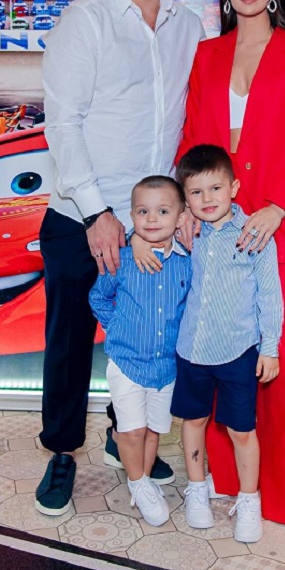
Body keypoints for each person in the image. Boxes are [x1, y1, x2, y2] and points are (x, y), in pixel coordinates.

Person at [35, 0, 205, 516]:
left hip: (154, 221)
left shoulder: (190, 26)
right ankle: (61, 452)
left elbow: (190, 119)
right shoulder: (85, 20)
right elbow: (64, 124)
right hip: (81, 215)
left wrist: (185, 202)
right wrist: (96, 212)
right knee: (70, 340)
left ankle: (122, 434)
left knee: (145, 336)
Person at [176, 0, 285, 552]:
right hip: (215, 233)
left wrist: (280, 205)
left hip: (279, 228)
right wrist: (186, 206)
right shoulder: (207, 54)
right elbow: (192, 140)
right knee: (218, 355)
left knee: (283, 365)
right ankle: (230, 482)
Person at [172, 144, 283, 543]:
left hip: (238, 351)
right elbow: (149, 233)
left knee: (241, 430)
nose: (207, 199)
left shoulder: (254, 233)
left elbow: (270, 295)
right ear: (185, 197)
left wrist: (270, 347)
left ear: (233, 187)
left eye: (216, 188)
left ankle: (249, 500)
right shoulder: (188, 232)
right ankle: (196, 489)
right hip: (192, 350)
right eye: (196, 192)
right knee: (193, 421)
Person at [89, 176, 191, 527]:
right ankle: (137, 482)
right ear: (131, 216)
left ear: (180, 217)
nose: (152, 219)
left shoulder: (186, 263)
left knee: (152, 431)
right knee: (131, 431)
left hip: (166, 368)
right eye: (143, 211)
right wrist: (117, 328)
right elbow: (99, 297)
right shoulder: (122, 260)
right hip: (127, 363)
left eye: (162, 211)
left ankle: (144, 481)